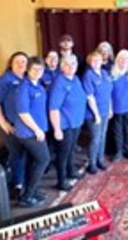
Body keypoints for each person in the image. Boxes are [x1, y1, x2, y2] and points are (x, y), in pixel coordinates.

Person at [0, 52, 28, 200]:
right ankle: (17, 186)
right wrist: (4, 123)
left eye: (24, 61)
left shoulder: (26, 78)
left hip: (22, 124)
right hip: (7, 124)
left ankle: (19, 177)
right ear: (10, 63)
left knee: (22, 152)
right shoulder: (4, 80)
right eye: (17, 61)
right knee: (17, 152)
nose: (21, 64)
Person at [14, 57, 50, 207]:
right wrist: (36, 130)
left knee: (33, 162)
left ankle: (31, 190)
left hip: (38, 130)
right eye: (34, 69)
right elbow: (23, 113)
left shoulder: (39, 85)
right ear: (28, 69)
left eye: (40, 69)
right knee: (43, 159)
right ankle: (26, 197)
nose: (37, 72)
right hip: (29, 133)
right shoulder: (23, 87)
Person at [48, 55, 87, 188]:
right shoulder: (59, 83)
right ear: (62, 66)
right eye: (68, 64)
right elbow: (53, 108)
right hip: (65, 125)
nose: (71, 67)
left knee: (71, 150)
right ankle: (61, 180)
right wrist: (57, 128)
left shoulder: (75, 79)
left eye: (73, 64)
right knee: (63, 154)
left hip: (76, 122)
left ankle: (71, 171)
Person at [83, 52, 113, 174]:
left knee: (102, 136)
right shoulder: (88, 75)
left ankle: (100, 160)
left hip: (105, 110)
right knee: (95, 138)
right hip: (93, 113)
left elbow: (109, 93)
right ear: (90, 62)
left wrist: (110, 109)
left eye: (98, 60)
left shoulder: (105, 73)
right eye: (94, 61)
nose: (96, 63)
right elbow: (90, 96)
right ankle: (92, 163)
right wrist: (96, 114)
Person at [110, 50, 128, 161]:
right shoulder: (112, 73)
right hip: (117, 106)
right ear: (117, 60)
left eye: (126, 59)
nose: (123, 61)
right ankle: (118, 152)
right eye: (121, 59)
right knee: (117, 131)